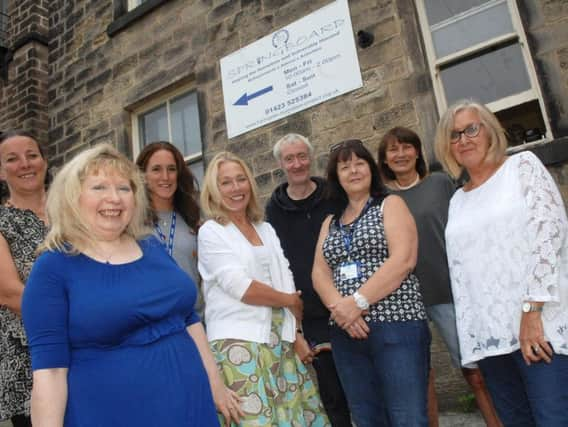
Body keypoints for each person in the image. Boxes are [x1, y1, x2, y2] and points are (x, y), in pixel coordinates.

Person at [21, 144, 241, 427]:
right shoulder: (52, 268)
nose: (114, 198)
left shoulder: (151, 245)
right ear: (72, 197)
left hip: (191, 406)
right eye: (99, 187)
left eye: (124, 188)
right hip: (111, 413)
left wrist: (216, 386)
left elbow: (187, 318)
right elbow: (49, 375)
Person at [435, 99, 568, 426]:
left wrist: (531, 312)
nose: (463, 140)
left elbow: (549, 234)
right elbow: (461, 278)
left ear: (490, 132)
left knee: (552, 418)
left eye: (471, 129)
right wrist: (473, 346)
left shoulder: (522, 166)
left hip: (538, 327)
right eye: (454, 135)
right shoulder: (457, 201)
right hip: (492, 341)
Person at [377, 127, 501, 427]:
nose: (401, 154)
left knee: (475, 371)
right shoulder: (380, 198)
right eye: (393, 149)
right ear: (384, 159)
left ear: (417, 152)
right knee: (421, 380)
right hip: (404, 301)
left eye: (407, 147)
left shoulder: (441, 183)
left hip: (448, 292)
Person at [198, 151, 330, 426]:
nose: (236, 188)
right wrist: (288, 300)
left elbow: (285, 275)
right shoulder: (211, 231)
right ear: (213, 189)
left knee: (296, 418)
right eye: (226, 182)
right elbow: (241, 287)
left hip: (278, 342)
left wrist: (295, 335)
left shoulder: (265, 228)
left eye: (241, 179)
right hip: (238, 344)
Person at [312, 139, 430, 427]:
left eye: (360, 163)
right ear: (336, 177)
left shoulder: (390, 204)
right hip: (346, 333)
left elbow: (404, 259)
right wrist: (342, 310)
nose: (353, 170)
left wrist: (358, 302)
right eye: (345, 166)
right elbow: (319, 273)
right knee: (366, 418)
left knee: (407, 417)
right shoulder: (330, 222)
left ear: (372, 169)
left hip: (396, 326)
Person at [265, 133, 351, 427]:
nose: (297, 164)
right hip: (311, 313)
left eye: (302, 156)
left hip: (348, 304)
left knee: (363, 385)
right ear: (281, 164)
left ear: (311, 158)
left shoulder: (334, 196)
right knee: (332, 393)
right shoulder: (273, 211)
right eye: (290, 158)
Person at [0, 130, 48, 427]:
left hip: (91, 351)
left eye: (32, 155)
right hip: (29, 360)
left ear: (45, 160)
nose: (25, 164)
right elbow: (8, 293)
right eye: (12, 159)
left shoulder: (75, 212)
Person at [136, 141, 204, 317]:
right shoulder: (131, 223)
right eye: (156, 169)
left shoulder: (194, 219)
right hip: (153, 323)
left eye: (171, 169)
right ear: (143, 174)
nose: (165, 177)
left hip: (196, 320)